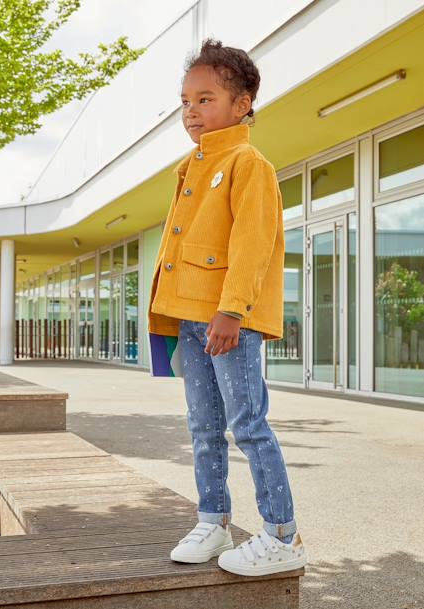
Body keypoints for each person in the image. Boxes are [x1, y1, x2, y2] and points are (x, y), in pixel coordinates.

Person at [147, 38, 307, 577]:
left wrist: (232, 310)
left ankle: (283, 534)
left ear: (243, 104)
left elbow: (252, 244)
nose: (192, 111)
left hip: (226, 321)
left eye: (206, 99)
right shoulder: (189, 166)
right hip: (190, 317)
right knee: (203, 426)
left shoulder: (246, 162)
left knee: (249, 424)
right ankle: (213, 520)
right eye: (186, 100)